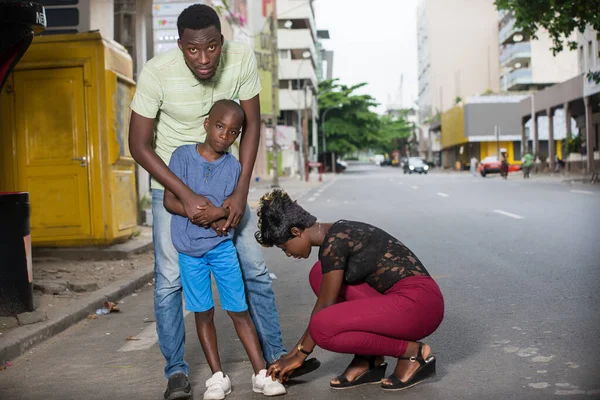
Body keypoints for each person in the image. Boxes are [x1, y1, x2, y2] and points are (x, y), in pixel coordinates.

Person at [128, 5, 317, 399]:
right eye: (193, 50)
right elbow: (138, 144)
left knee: (253, 269)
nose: (203, 59)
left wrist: (239, 193)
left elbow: (252, 125)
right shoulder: (156, 73)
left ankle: (275, 359)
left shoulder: (241, 60)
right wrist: (183, 193)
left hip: (227, 182)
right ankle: (177, 372)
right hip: (174, 180)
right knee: (169, 280)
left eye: (212, 48)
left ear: (221, 42)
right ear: (181, 45)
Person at [255, 190, 444, 392]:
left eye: (285, 248)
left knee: (322, 328)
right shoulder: (336, 233)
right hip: (407, 300)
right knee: (319, 273)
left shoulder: (335, 243)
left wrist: (298, 356)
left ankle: (412, 353)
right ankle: (369, 358)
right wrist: (293, 355)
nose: (289, 254)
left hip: (420, 306)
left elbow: (324, 308)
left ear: (296, 231)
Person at [164, 100, 285, 399]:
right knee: (203, 312)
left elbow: (233, 211)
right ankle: (218, 377)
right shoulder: (181, 156)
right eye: (219, 127)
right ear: (207, 123)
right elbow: (169, 200)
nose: (224, 135)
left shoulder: (233, 167)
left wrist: (218, 216)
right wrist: (198, 213)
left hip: (221, 249)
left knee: (238, 309)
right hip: (189, 251)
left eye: (233, 132)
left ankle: (260, 373)